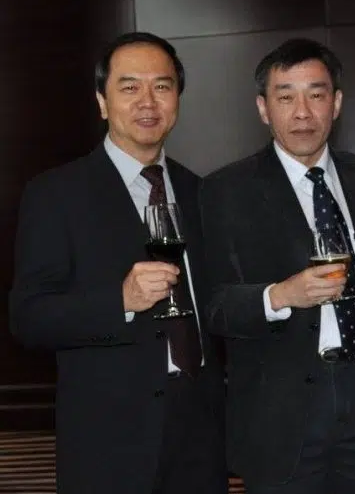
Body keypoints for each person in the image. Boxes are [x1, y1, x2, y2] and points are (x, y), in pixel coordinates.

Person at [9, 31, 227, 494]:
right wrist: (121, 301)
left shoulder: (201, 192)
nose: (148, 101)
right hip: (108, 443)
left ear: (177, 99)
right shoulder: (56, 195)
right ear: (102, 102)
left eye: (162, 86)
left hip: (200, 436)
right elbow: (29, 318)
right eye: (130, 87)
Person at [201, 37, 355, 494]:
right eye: (286, 97)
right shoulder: (226, 190)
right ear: (263, 108)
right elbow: (214, 306)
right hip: (283, 411)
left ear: (337, 103)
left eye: (316, 94)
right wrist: (280, 295)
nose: (303, 113)